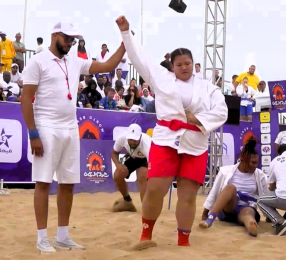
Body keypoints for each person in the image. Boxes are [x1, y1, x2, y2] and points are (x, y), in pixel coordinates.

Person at [120, 15, 228, 249]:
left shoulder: (208, 87)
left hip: (195, 143)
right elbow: (141, 59)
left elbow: (222, 111)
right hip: (166, 140)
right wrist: (126, 33)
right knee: (155, 188)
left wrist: (197, 118)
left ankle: (183, 241)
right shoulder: (161, 78)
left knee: (188, 196)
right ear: (172, 66)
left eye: (187, 63)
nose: (184, 67)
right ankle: (146, 235)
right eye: (179, 64)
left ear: (193, 62)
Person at [21, 19, 126, 254]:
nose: (70, 42)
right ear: (54, 35)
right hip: (46, 126)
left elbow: (108, 64)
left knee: (68, 184)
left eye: (73, 39)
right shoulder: (37, 61)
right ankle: (41, 238)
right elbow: (25, 99)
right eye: (67, 38)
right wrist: (33, 133)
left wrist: (125, 42)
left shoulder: (75, 61)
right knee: (43, 183)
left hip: (70, 128)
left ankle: (62, 235)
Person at [199, 137, 269, 237]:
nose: (255, 165)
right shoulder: (225, 171)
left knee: (248, 212)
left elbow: (266, 196)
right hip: (228, 208)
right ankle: (210, 219)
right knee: (230, 188)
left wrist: (269, 216)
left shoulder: (260, 175)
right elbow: (214, 192)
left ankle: (251, 225)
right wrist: (205, 212)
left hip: (246, 208)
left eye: (256, 163)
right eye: (253, 163)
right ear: (243, 160)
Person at [111, 124, 151, 212]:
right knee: (117, 175)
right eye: (131, 139)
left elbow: (151, 164)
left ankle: (146, 207)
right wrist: (118, 165)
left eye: (135, 140)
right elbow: (114, 153)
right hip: (133, 157)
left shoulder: (147, 144)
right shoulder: (122, 138)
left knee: (142, 177)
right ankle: (127, 201)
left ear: (140, 137)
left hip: (147, 158)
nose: (132, 142)